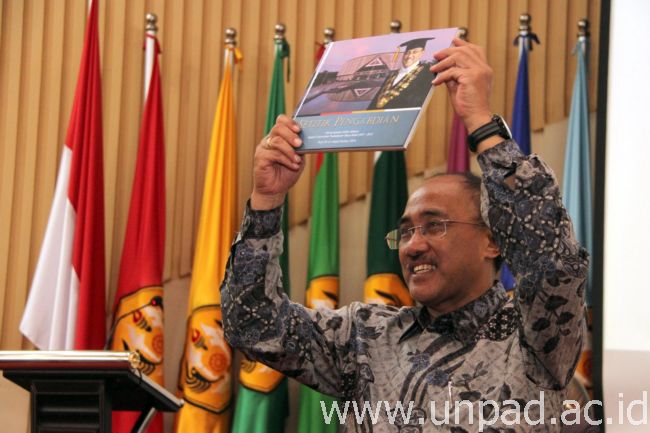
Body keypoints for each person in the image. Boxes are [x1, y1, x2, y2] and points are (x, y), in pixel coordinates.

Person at [221, 38, 588, 432]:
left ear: (493, 241)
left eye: (434, 225)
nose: (413, 245)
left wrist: (482, 123)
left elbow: (552, 262)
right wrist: (267, 200)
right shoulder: (365, 338)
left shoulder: (537, 340)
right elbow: (252, 324)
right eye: (406, 231)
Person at [367, 37, 436, 110]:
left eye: (414, 52)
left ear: (422, 52)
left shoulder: (426, 74)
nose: (409, 56)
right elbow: (375, 101)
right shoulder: (392, 75)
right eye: (407, 52)